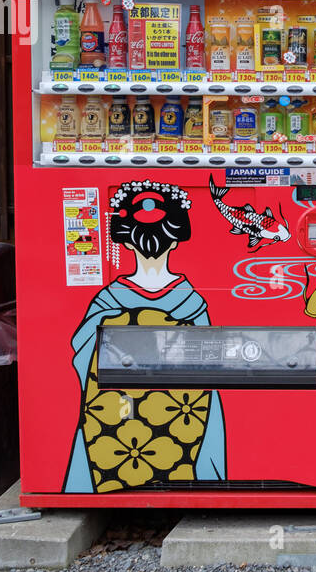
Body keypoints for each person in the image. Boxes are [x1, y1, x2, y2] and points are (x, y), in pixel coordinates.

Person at [62, 179, 225, 493]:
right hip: (181, 425)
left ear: (124, 241)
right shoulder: (191, 302)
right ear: (177, 240)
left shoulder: (107, 301)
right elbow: (213, 368)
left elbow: (81, 350)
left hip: (115, 419)